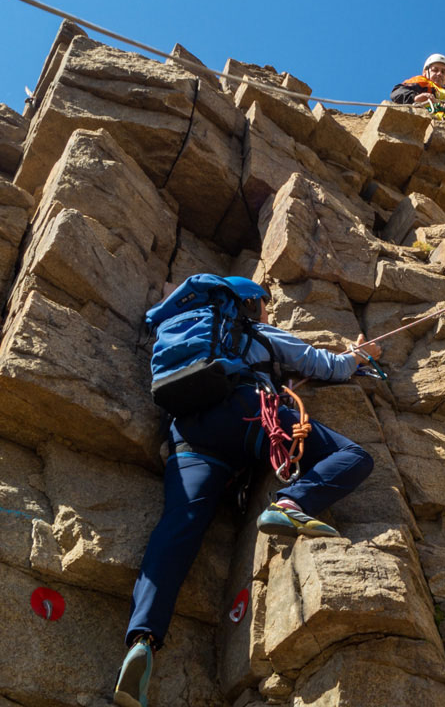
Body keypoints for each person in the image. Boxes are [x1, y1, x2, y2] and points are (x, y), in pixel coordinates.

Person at [113, 276, 381, 707]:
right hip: (247, 415)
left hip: (189, 435)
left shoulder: (187, 340)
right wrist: (357, 357)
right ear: (251, 305)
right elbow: (322, 365)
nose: (269, 313)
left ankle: (142, 640)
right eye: (266, 306)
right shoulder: (253, 331)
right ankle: (293, 503)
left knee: (177, 527)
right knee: (354, 457)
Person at [390, 53, 445, 119]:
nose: (439, 74)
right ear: (425, 73)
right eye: (435, 70)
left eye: (443, 72)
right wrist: (415, 98)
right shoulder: (421, 82)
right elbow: (397, 92)